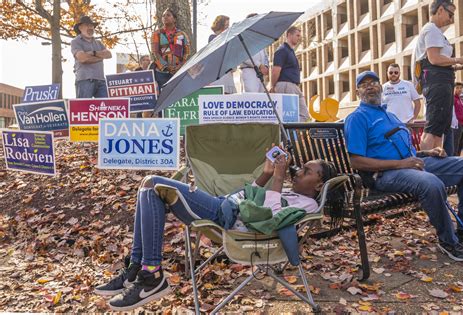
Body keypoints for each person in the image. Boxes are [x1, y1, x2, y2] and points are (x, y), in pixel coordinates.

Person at [94, 153, 338, 311]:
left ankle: (151, 275)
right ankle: (138, 268)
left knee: (151, 182)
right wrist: (266, 173)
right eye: (301, 168)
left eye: (307, 171)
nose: (298, 172)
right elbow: (249, 196)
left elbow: (270, 220)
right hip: (224, 204)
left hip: (226, 217)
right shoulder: (289, 193)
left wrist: (277, 179)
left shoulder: (307, 204)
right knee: (148, 189)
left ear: (318, 185)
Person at [345, 70, 463, 263]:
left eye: (374, 82)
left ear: (381, 87)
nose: (370, 86)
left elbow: (406, 151)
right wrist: (402, 164)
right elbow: (356, 161)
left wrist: (426, 153)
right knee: (431, 183)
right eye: (364, 84)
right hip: (384, 175)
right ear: (358, 93)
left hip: (412, 165)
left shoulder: (390, 116)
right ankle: (448, 242)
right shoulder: (357, 118)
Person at [414, 0, 463, 150]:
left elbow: (440, 63)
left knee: (440, 129)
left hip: (441, 81)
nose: (451, 18)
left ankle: (438, 165)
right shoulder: (431, 29)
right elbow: (434, 59)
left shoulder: (436, 32)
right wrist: (459, 59)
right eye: (450, 14)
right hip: (437, 84)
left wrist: (460, 66)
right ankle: (426, 166)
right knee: (433, 129)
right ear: (440, 10)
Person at [150, 8, 191, 117]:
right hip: (162, 73)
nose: (165, 17)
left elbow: (187, 51)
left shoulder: (182, 34)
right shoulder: (157, 34)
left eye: (168, 15)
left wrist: (181, 66)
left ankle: (178, 120)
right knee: (162, 98)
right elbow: (155, 53)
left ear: (174, 19)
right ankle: (162, 119)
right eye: (163, 16)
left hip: (178, 72)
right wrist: (166, 67)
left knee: (178, 96)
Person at [271, 26, 311, 122]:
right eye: (297, 35)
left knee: (304, 116)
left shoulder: (290, 51)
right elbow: (275, 70)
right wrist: (273, 86)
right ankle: (288, 135)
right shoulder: (282, 50)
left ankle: (293, 135)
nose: (299, 38)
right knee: (288, 116)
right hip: (286, 85)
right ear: (289, 35)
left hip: (293, 86)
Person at [71, 16, 112, 98]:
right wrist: (100, 57)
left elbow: (109, 55)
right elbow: (82, 59)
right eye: (87, 25)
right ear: (80, 27)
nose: (90, 27)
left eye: (92, 26)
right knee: (83, 108)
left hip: (101, 80)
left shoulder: (98, 43)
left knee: (105, 108)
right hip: (84, 80)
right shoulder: (75, 42)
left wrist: (92, 53)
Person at [239, 14, 270, 93]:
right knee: (252, 98)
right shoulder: (242, 36)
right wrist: (259, 65)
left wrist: (266, 66)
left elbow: (265, 54)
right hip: (249, 71)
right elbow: (242, 54)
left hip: (261, 73)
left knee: (261, 99)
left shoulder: (259, 37)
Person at [208, 15, 237, 94]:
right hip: (218, 74)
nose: (228, 28)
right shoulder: (213, 38)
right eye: (226, 25)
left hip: (228, 72)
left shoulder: (229, 39)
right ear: (220, 26)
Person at [453, 82, 463, 155]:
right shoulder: (453, 99)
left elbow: (462, 112)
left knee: (460, 146)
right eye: (457, 88)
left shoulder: (459, 98)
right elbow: (455, 114)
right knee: (455, 146)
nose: (459, 90)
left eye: (460, 88)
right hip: (457, 125)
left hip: (462, 124)